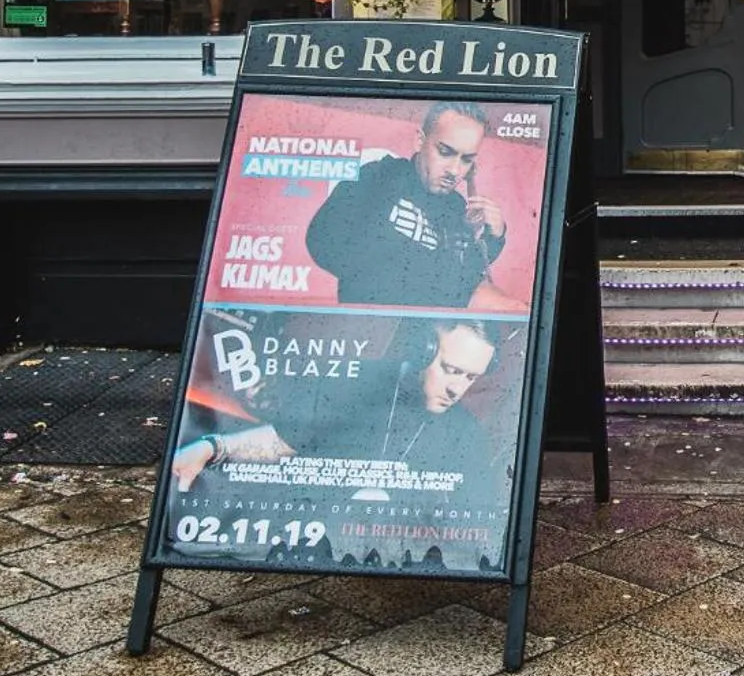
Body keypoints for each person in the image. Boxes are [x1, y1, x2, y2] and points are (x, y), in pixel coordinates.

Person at [169, 317, 500, 492]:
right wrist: (212, 448)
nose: (457, 389)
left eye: (470, 377)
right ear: (420, 350)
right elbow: (285, 440)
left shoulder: (467, 433)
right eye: (451, 370)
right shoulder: (358, 381)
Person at [306, 101, 510, 308]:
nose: (455, 170)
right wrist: (422, 273)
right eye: (445, 152)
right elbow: (322, 242)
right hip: (373, 319)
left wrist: (493, 237)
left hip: (433, 325)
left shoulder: (456, 207)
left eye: (466, 160)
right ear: (420, 141)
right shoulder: (379, 176)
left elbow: (462, 278)